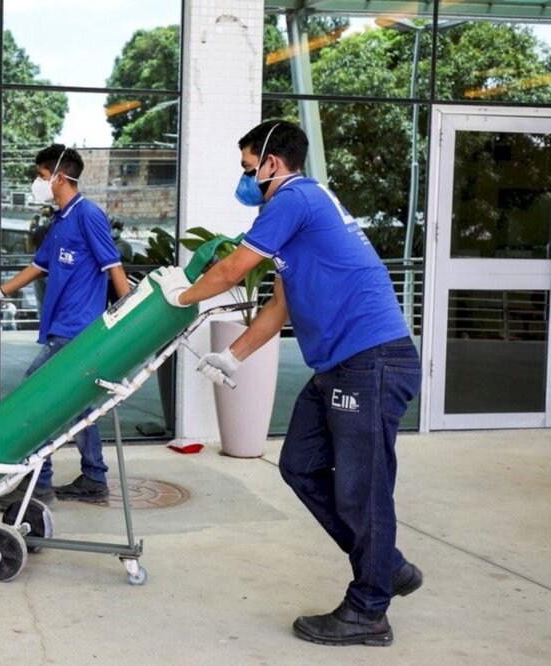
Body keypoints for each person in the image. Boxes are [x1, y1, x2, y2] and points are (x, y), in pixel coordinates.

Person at [151, 120, 422, 647]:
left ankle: (369, 609)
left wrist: (174, 299)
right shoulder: (302, 214)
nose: (245, 179)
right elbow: (279, 305)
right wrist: (232, 356)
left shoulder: (294, 198)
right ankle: (385, 566)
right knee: (299, 463)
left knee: (361, 490)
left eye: (248, 168)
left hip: (371, 361)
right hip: (341, 366)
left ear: (273, 163)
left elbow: (231, 271)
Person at [0, 144, 130, 509]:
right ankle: (94, 478)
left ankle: (37, 485)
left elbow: (113, 266)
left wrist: (126, 323)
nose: (37, 183)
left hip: (78, 332)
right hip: (62, 328)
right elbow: (39, 266)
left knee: (36, 400)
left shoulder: (88, 214)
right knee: (81, 406)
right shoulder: (59, 219)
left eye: (40, 176)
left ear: (58, 176)